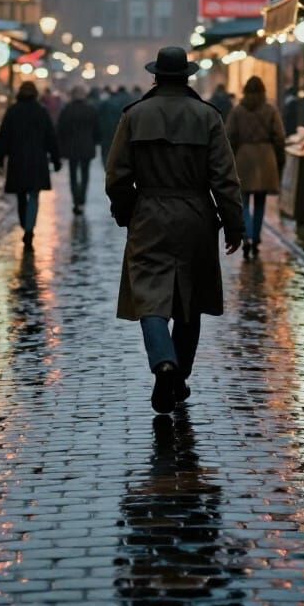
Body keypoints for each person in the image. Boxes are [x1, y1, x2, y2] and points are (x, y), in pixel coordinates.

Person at [105, 46, 244, 415]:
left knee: (150, 297)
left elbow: (117, 176)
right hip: (197, 215)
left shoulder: (135, 115)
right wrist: (234, 224)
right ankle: (179, 375)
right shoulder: (208, 117)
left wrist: (127, 212)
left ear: (155, 77)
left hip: (149, 214)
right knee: (190, 301)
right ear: (186, 77)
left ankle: (163, 363)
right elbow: (225, 179)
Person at [225, 75, 286, 259]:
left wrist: (232, 158)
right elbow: (279, 136)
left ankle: (247, 236)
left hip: (243, 157)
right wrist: (279, 158)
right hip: (266, 158)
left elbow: (229, 136)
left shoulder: (237, 111)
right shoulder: (270, 110)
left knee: (243, 203)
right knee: (260, 203)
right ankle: (256, 238)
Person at [0, 81, 61, 247]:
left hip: (17, 160)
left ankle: (25, 224)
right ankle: (29, 228)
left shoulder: (13, 111)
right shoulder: (41, 111)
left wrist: (0, 158)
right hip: (37, 160)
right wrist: (56, 158)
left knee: (21, 195)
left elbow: (4, 136)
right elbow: (50, 137)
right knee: (34, 195)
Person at [57, 85, 100, 214]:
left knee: (73, 174)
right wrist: (96, 141)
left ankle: (75, 200)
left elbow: (61, 129)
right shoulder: (91, 110)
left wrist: (61, 145)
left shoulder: (67, 110)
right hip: (87, 146)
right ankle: (82, 199)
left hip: (72, 147)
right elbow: (97, 129)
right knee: (85, 174)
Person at [97, 85, 129, 167]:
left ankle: (106, 166)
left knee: (106, 149)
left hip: (106, 130)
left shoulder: (105, 103)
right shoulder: (124, 102)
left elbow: (99, 117)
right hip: (117, 129)